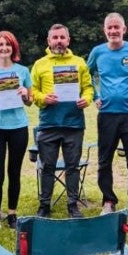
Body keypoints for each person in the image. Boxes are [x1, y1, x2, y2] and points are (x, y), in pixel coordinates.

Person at [87, 13, 128, 216]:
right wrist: (94, 96)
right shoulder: (97, 52)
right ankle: (108, 201)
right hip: (106, 114)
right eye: (110, 27)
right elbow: (84, 75)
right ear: (104, 30)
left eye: (117, 27)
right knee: (104, 160)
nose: (113, 31)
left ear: (124, 29)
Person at [31, 23, 94, 218]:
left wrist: (87, 98)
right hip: (49, 123)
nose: (59, 41)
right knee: (47, 166)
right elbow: (32, 91)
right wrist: (43, 98)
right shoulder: (40, 64)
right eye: (55, 38)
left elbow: (88, 87)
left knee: (72, 167)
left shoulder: (79, 62)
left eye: (62, 37)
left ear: (68, 40)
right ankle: (44, 205)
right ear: (48, 41)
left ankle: (72, 205)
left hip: (73, 124)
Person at [0, 31, 33, 232]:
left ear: (13, 48)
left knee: (14, 172)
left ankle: (12, 213)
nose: (4, 48)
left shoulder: (23, 71)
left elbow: (30, 101)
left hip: (18, 126)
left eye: (7, 45)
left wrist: (26, 94)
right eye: (0, 45)